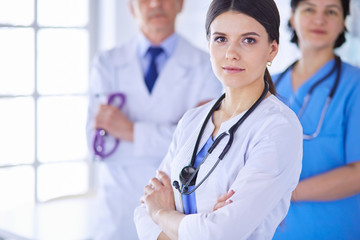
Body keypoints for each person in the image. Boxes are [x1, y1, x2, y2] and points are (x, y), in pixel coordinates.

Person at [134, 0, 303, 239]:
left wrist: (161, 213)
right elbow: (143, 211)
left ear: (272, 49)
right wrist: (197, 225)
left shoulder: (278, 128)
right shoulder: (193, 120)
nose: (231, 53)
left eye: (248, 40)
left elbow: (219, 232)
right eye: (221, 39)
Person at [86, 0, 222, 238]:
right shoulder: (107, 64)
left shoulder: (206, 65)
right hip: (115, 214)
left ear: (181, 4)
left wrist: (129, 131)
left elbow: (201, 147)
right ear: (130, 6)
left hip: (172, 211)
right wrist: (175, 134)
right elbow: (98, 146)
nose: (156, 4)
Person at [272, 0, 360, 239]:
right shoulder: (267, 85)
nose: (319, 19)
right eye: (309, 9)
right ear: (292, 17)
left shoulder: (355, 85)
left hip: (335, 229)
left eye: (331, 11)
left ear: (343, 22)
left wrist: (283, 193)